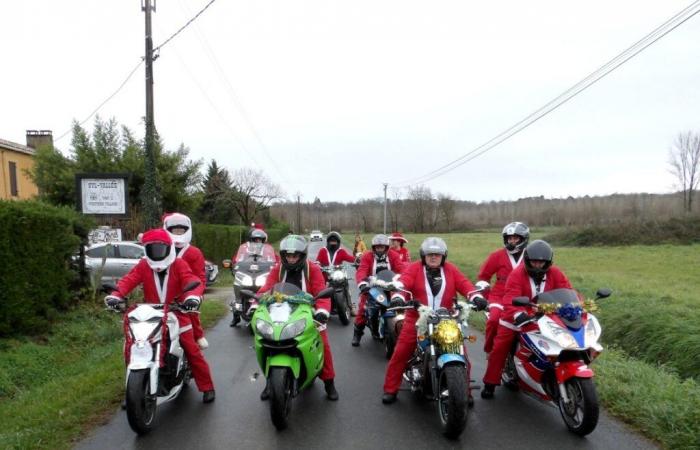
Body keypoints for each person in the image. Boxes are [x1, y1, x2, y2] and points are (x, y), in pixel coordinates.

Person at [104, 229, 216, 403]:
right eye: (152, 249)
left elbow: (190, 280)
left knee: (191, 349)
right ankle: (133, 392)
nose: (156, 253)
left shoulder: (179, 264)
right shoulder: (143, 265)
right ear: (146, 249)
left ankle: (207, 387)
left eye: (160, 249)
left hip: (178, 313)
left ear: (168, 248)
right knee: (135, 348)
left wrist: (192, 297)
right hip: (151, 314)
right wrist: (116, 294)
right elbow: (129, 279)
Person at [381, 237, 487, 404]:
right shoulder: (414, 268)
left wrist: (477, 297)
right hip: (418, 320)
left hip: (447, 320)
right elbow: (402, 284)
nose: (433, 257)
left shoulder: (451, 270)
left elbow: (466, 285)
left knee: (461, 354)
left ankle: (464, 392)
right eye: (429, 254)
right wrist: (398, 297)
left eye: (437, 254)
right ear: (423, 255)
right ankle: (390, 388)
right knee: (401, 352)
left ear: (443, 256)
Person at [481, 240, 573, 399]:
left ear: (548, 262)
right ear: (527, 260)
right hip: (515, 317)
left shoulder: (555, 273)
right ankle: (490, 383)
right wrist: (518, 314)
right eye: (534, 261)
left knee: (558, 342)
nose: (538, 265)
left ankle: (546, 376)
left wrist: (573, 306)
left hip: (544, 317)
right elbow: (510, 298)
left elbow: (567, 290)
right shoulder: (516, 274)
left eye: (542, 262)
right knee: (500, 347)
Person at [256, 235, 339, 401]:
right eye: (288, 255)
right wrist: (256, 303)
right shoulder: (277, 269)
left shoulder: (313, 269)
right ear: (284, 255)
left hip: (307, 312)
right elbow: (266, 289)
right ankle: (269, 382)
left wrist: (322, 311)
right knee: (265, 341)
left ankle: (329, 383)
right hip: (279, 310)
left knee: (322, 344)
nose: (291, 259)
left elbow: (321, 293)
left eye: (295, 256)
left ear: (302, 255)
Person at [477, 222, 529, 353]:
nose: (512, 241)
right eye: (509, 238)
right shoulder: (497, 255)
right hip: (499, 297)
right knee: (494, 320)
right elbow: (484, 276)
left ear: (523, 239)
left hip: (524, 298)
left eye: (515, 238)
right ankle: (490, 350)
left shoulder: (530, 256)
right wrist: (485, 297)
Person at [163, 212, 208, 349]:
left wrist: (196, 293)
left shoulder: (194, 252)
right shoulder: (161, 249)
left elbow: (200, 276)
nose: (178, 232)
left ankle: (198, 335)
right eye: (174, 230)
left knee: (191, 312)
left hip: (188, 290)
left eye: (181, 230)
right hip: (165, 291)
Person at [352, 234, 406, 346]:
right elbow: (362, 270)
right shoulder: (367, 256)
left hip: (390, 286)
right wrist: (362, 284)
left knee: (400, 306)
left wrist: (402, 280)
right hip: (373, 286)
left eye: (382, 247)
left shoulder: (393, 255)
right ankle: (357, 333)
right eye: (377, 247)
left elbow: (402, 268)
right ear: (373, 248)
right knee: (363, 308)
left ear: (386, 247)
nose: (379, 249)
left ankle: (401, 332)